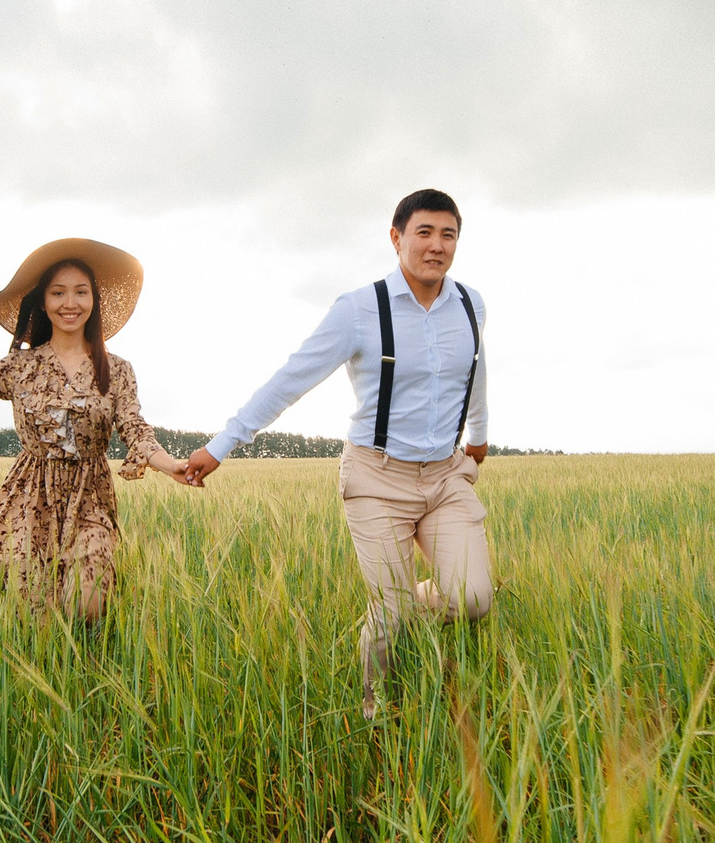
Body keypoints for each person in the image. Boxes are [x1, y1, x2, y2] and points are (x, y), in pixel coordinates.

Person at [183, 189, 492, 716]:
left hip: (445, 477)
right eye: (425, 233)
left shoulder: (469, 303)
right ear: (396, 239)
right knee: (389, 613)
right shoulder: (357, 310)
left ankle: (402, 601)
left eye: (448, 234)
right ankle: (374, 706)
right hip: (377, 477)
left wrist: (479, 435)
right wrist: (222, 444)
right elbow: (292, 379)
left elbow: (475, 365)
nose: (437, 246)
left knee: (474, 599)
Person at [0, 238, 192, 623]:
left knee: (89, 601)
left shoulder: (116, 369)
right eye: (58, 293)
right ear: (44, 302)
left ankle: (86, 669)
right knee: (32, 612)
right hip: (30, 495)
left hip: (91, 495)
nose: (70, 303)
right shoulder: (20, 366)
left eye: (81, 292)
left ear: (94, 301)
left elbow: (134, 428)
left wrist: (170, 465)